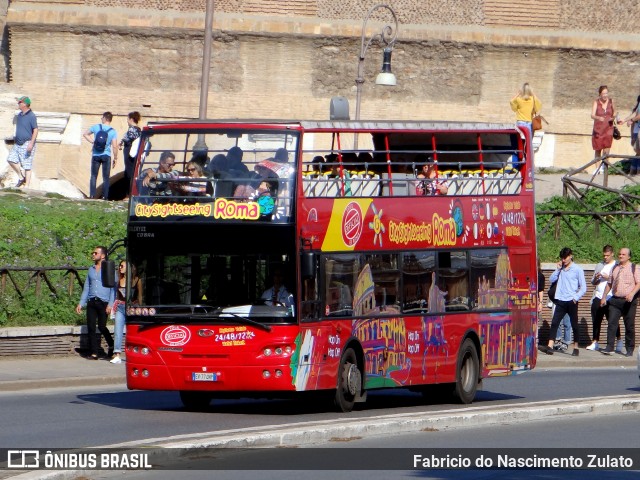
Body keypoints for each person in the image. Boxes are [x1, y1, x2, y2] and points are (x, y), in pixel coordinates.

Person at [539, 247, 586, 356]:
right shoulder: (561, 269)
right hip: (560, 300)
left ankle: (576, 347)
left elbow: (583, 287)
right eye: (562, 258)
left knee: (574, 324)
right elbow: (551, 280)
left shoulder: (577, 269)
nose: (563, 260)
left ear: (570, 256)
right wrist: (558, 269)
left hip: (571, 300)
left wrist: (576, 298)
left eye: (565, 258)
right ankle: (550, 346)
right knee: (555, 323)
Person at [75, 246, 115, 360]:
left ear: (102, 255)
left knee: (102, 326)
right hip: (92, 301)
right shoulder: (91, 269)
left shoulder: (109, 269)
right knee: (91, 327)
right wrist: (81, 303)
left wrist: (110, 304)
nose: (93, 254)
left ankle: (111, 345)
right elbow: (87, 287)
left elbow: (113, 288)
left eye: (95, 253)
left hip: (104, 302)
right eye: (92, 253)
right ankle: (94, 352)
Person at [599, 247, 640, 357]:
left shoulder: (634, 268)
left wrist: (632, 293)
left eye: (623, 254)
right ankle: (609, 347)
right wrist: (604, 297)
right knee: (612, 323)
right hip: (615, 300)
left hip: (629, 301)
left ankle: (629, 348)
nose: (621, 256)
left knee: (629, 326)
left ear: (629, 256)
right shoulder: (615, 268)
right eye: (620, 254)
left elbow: (639, 283)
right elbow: (609, 283)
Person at [587, 245, 619, 351]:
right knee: (596, 319)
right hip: (598, 295)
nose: (605, 257)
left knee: (612, 320)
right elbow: (593, 282)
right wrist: (596, 278)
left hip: (611, 297)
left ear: (612, 254)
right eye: (604, 255)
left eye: (607, 255)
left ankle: (619, 340)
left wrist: (608, 277)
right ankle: (595, 341)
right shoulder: (600, 265)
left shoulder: (617, 265)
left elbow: (620, 281)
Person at [111, 261, 142, 364]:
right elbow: (114, 293)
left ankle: (136, 353)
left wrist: (140, 308)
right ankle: (117, 354)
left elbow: (140, 296)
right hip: (120, 306)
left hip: (131, 307)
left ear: (129, 268)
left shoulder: (136, 280)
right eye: (119, 266)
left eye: (122, 266)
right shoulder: (119, 280)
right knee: (118, 330)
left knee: (133, 331)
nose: (120, 268)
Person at [83, 112, 118, 200]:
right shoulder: (113, 131)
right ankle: (104, 196)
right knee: (106, 177)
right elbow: (114, 146)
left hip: (96, 154)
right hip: (106, 155)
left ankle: (92, 195)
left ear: (105, 118)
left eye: (102, 117)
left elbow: (85, 134)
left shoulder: (96, 127)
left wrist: (93, 142)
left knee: (94, 175)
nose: (101, 119)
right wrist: (115, 158)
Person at [7, 96, 38, 188]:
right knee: (10, 159)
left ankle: (27, 186)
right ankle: (21, 177)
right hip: (18, 143)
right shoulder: (20, 115)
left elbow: (35, 130)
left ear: (25, 104)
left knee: (27, 165)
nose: (18, 104)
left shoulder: (32, 116)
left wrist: (31, 143)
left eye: (20, 102)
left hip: (27, 143)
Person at [591, 86, 620, 174]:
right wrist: (598, 117)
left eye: (606, 93)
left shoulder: (611, 101)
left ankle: (604, 166)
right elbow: (592, 115)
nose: (605, 95)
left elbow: (615, 112)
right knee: (598, 149)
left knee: (606, 149)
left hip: (608, 128)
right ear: (600, 94)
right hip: (598, 128)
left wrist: (613, 117)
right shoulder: (596, 102)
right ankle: (597, 168)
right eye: (603, 93)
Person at [118, 111, 142, 192]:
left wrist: (121, 142)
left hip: (130, 153)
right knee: (132, 171)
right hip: (135, 153)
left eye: (128, 119)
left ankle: (130, 192)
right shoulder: (139, 130)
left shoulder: (132, 130)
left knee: (129, 172)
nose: (127, 121)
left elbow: (127, 139)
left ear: (131, 119)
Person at [622, 95, 640, 175]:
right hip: (637, 131)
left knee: (638, 152)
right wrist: (625, 120)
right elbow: (635, 114)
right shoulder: (639, 105)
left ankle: (633, 171)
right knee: (638, 152)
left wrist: (631, 120)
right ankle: (635, 171)